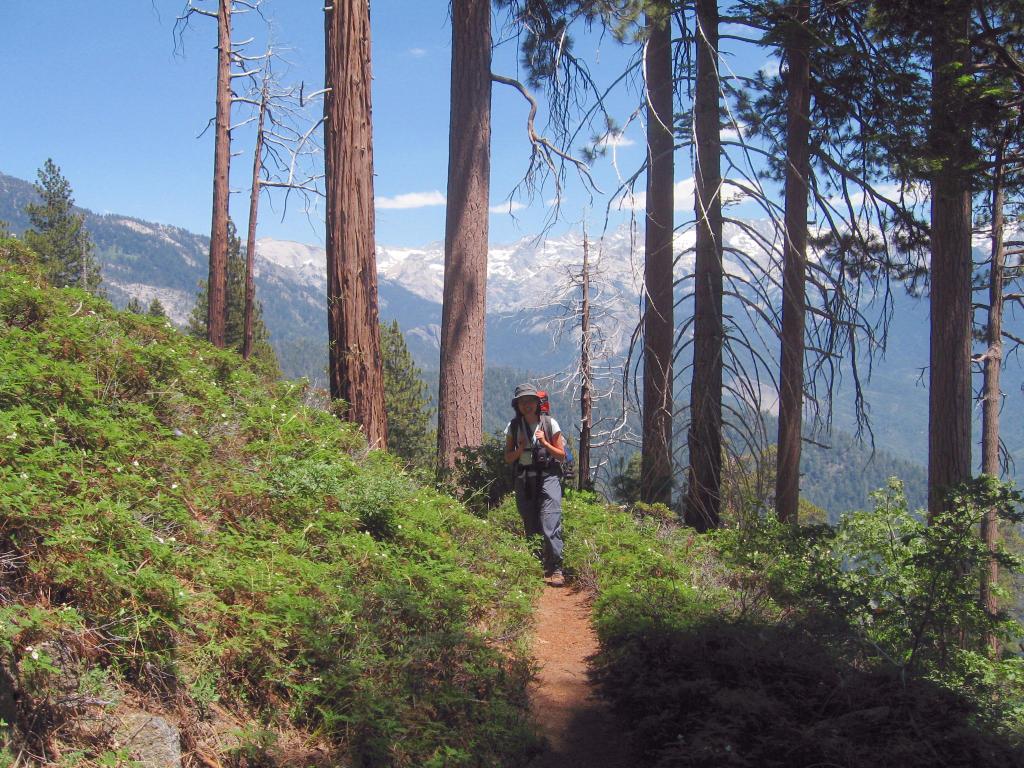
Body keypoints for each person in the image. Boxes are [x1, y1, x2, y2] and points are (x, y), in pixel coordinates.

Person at [504, 383, 567, 586]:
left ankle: (556, 568)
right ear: (518, 405)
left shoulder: (550, 424)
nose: (526, 405)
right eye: (522, 402)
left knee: (550, 522)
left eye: (530, 401)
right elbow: (508, 457)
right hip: (524, 480)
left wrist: (545, 443)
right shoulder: (513, 427)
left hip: (548, 477)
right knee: (530, 524)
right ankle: (536, 566)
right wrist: (520, 447)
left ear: (537, 403)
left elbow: (561, 455)